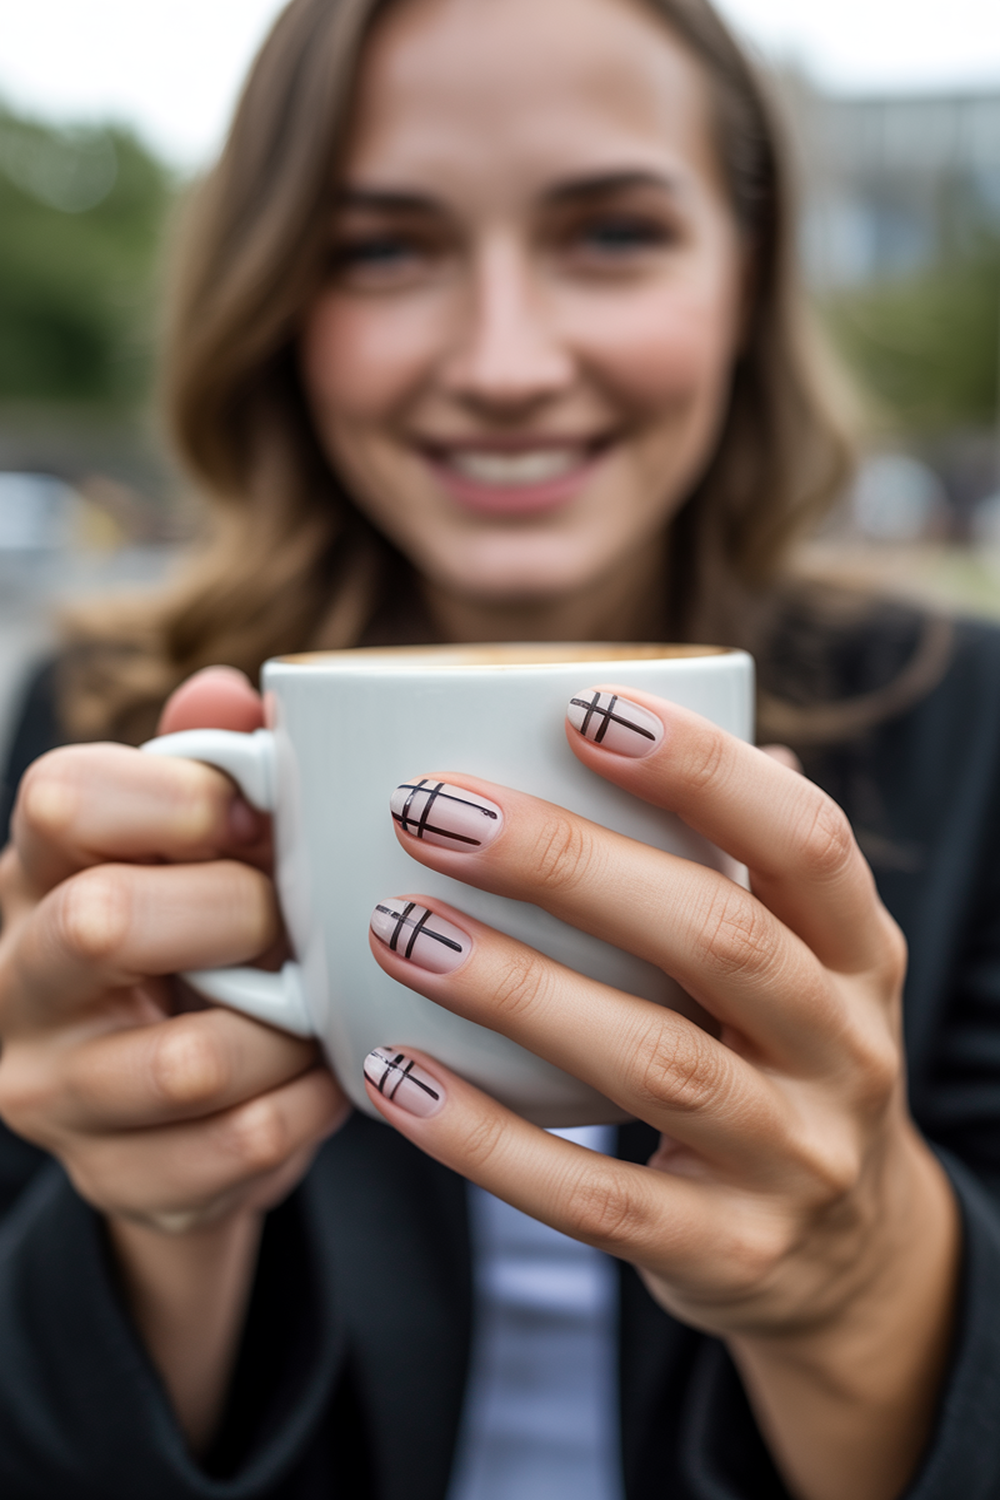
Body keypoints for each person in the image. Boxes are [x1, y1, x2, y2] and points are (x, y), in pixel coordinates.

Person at [0, 1, 996, 1497]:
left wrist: (858, 1279)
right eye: (384, 249)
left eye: (610, 234)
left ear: (745, 276)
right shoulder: (115, 744)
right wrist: (153, 1221)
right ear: (275, 297)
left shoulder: (971, 729)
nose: (507, 362)